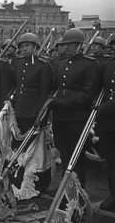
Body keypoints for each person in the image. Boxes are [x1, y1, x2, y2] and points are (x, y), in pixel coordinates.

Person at [50, 28, 100, 188]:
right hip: (60, 116)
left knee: (76, 155)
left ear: (79, 45)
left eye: (69, 44)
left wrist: (65, 103)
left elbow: (88, 92)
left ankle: (77, 191)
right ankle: (66, 188)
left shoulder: (89, 64)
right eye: (65, 44)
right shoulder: (60, 62)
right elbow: (55, 87)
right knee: (64, 152)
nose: (65, 47)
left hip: (77, 117)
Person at [13, 33, 52, 134]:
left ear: (35, 47)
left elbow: (44, 90)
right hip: (19, 105)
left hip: (33, 107)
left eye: (27, 46)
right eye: (22, 46)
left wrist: (41, 110)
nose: (24, 48)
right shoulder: (18, 63)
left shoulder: (43, 65)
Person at [94, 56, 115, 211]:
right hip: (108, 122)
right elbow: (98, 88)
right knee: (111, 160)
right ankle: (113, 194)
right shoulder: (108, 65)